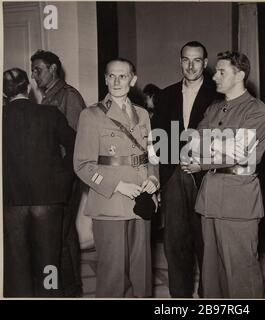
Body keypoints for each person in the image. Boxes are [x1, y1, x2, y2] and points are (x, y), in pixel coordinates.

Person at [183, 51, 265, 298]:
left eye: (222, 72)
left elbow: (240, 152)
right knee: (211, 271)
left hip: (238, 200)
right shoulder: (214, 108)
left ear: (240, 74)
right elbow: (192, 142)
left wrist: (207, 150)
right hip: (210, 197)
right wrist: (220, 144)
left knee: (240, 270)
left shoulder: (256, 110)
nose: (215, 77)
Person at [73, 58, 159, 297]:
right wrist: (117, 185)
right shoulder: (91, 115)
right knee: (113, 274)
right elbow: (82, 165)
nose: (117, 81)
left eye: (123, 76)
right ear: (105, 79)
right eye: (111, 76)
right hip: (110, 203)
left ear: (133, 80)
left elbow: (151, 155)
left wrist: (153, 180)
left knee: (141, 273)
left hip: (141, 202)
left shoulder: (143, 115)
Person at [152, 41, 220, 298]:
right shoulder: (166, 94)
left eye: (197, 60)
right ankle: (179, 298)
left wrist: (201, 162)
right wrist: (163, 176)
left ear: (205, 63)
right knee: (175, 243)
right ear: (180, 61)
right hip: (173, 176)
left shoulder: (218, 94)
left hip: (206, 176)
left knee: (206, 242)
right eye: (186, 60)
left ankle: (207, 297)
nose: (191, 65)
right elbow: (159, 137)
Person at [3, 68, 76, 297]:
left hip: (11, 200)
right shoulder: (50, 114)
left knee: (16, 264)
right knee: (49, 261)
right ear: (28, 87)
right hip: (48, 199)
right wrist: (63, 179)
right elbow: (76, 147)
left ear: (4, 93)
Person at [31, 49, 86, 297]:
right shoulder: (47, 98)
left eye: (38, 69)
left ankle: (72, 289)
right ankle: (66, 286)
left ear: (53, 69)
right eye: (32, 70)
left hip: (66, 177)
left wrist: (64, 177)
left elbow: (77, 143)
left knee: (62, 233)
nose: (34, 75)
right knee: (61, 233)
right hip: (54, 178)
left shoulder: (69, 96)